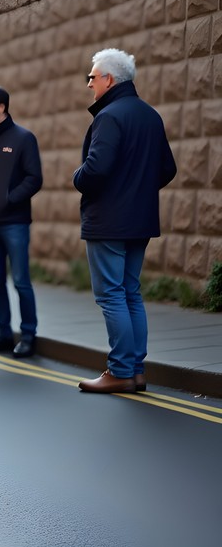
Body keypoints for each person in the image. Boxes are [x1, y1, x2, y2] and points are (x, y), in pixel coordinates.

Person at [73, 48, 176, 393]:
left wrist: (77, 177)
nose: (89, 83)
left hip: (108, 221)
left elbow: (95, 170)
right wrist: (137, 191)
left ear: (109, 79)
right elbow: (168, 169)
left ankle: (120, 371)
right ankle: (136, 371)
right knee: (130, 292)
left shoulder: (109, 116)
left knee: (111, 295)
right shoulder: (150, 115)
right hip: (139, 220)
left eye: (92, 77)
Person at [0, 86, 44, 358]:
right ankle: (3, 333)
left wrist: (8, 199)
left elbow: (34, 178)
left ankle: (28, 335)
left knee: (21, 281)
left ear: (1, 107)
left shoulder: (24, 138)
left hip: (15, 223)